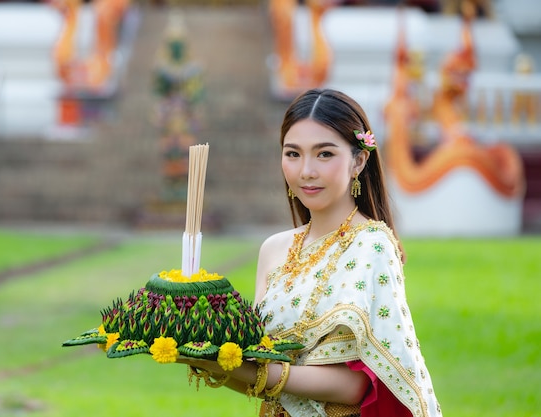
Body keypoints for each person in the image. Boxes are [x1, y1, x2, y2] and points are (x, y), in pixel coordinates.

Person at [180, 88, 442, 417]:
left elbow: (355, 386)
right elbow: (260, 378)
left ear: (358, 161)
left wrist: (253, 370)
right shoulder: (274, 250)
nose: (306, 171)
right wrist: (204, 357)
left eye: (324, 154)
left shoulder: (372, 245)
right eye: (293, 154)